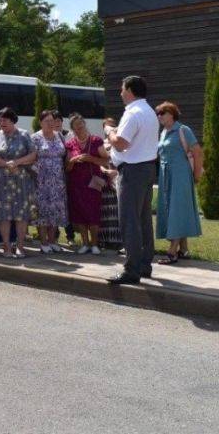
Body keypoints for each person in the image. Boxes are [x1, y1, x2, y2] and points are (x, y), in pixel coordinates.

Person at [106, 76, 159, 284]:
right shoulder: (149, 112)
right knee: (143, 220)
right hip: (146, 169)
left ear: (129, 90)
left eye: (122, 89)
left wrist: (110, 132)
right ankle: (145, 264)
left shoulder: (133, 112)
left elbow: (120, 144)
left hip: (132, 171)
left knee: (129, 221)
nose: (120, 93)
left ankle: (132, 270)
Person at [155, 102, 204, 264]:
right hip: (165, 175)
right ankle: (184, 249)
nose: (159, 116)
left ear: (172, 114)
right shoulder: (163, 132)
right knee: (173, 208)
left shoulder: (183, 129)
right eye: (158, 113)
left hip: (180, 175)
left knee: (177, 208)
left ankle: (172, 251)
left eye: (163, 113)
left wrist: (197, 174)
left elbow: (197, 151)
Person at [0, 108, 36, 259]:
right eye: (0, 120)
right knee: (3, 215)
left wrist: (17, 162)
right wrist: (7, 164)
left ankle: (20, 247)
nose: (2, 123)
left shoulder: (24, 134)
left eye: (5, 120)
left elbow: (33, 154)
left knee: (21, 214)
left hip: (22, 181)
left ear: (13, 120)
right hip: (1, 182)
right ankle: (6, 247)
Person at [65, 114, 110, 255]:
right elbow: (67, 168)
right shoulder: (70, 144)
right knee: (79, 213)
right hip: (76, 184)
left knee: (93, 213)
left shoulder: (96, 140)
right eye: (76, 126)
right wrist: (72, 161)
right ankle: (85, 243)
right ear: (72, 129)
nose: (79, 128)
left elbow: (106, 161)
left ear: (85, 124)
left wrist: (90, 158)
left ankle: (95, 244)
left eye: (81, 124)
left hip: (92, 184)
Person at [32, 110, 69, 253]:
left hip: (58, 180)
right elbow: (31, 158)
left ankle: (53, 240)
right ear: (40, 122)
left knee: (55, 210)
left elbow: (65, 155)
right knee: (43, 211)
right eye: (46, 121)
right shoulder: (35, 138)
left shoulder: (60, 135)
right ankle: (44, 242)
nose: (50, 123)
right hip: (41, 180)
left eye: (52, 121)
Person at [99, 118, 123, 250]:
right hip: (105, 179)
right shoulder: (101, 143)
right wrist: (104, 170)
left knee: (117, 210)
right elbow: (99, 162)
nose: (109, 129)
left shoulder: (121, 143)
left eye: (112, 126)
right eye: (106, 127)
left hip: (118, 178)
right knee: (106, 211)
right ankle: (105, 239)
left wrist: (116, 172)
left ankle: (118, 241)